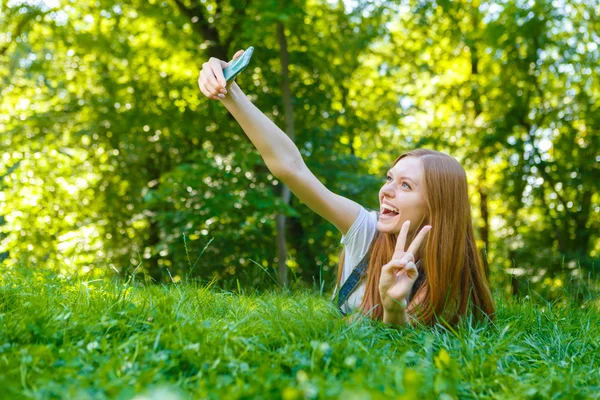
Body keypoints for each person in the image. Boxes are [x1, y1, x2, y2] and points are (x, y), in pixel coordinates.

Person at [198, 49, 496, 329]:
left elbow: (413, 357)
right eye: (389, 179)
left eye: (405, 185)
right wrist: (231, 93)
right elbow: (292, 167)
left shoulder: (458, 281)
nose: (386, 191)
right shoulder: (366, 230)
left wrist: (393, 311)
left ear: (438, 205)